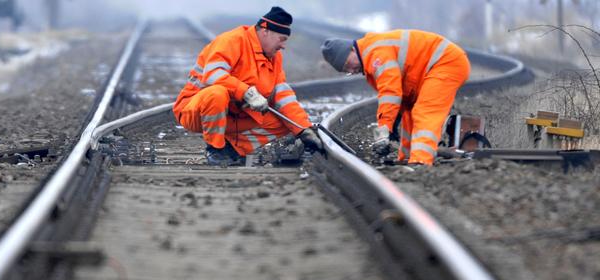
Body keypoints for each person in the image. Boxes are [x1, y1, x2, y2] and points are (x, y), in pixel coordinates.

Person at [173, 6, 324, 166]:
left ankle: (232, 148)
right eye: (282, 39)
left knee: (285, 123)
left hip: (233, 115)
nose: (283, 45)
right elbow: (212, 75)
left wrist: (303, 129)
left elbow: (283, 96)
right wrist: (247, 93)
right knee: (217, 93)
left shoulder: (274, 57)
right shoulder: (233, 41)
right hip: (196, 111)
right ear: (265, 31)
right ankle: (215, 149)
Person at [321, 30, 470, 165]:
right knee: (409, 113)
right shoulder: (370, 58)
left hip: (446, 62)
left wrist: (384, 128)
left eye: (348, 64)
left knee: (425, 111)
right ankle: (408, 157)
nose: (352, 70)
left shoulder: (375, 54)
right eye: (346, 71)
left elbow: (390, 93)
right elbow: (400, 99)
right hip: (434, 68)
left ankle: (421, 161)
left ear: (352, 50)